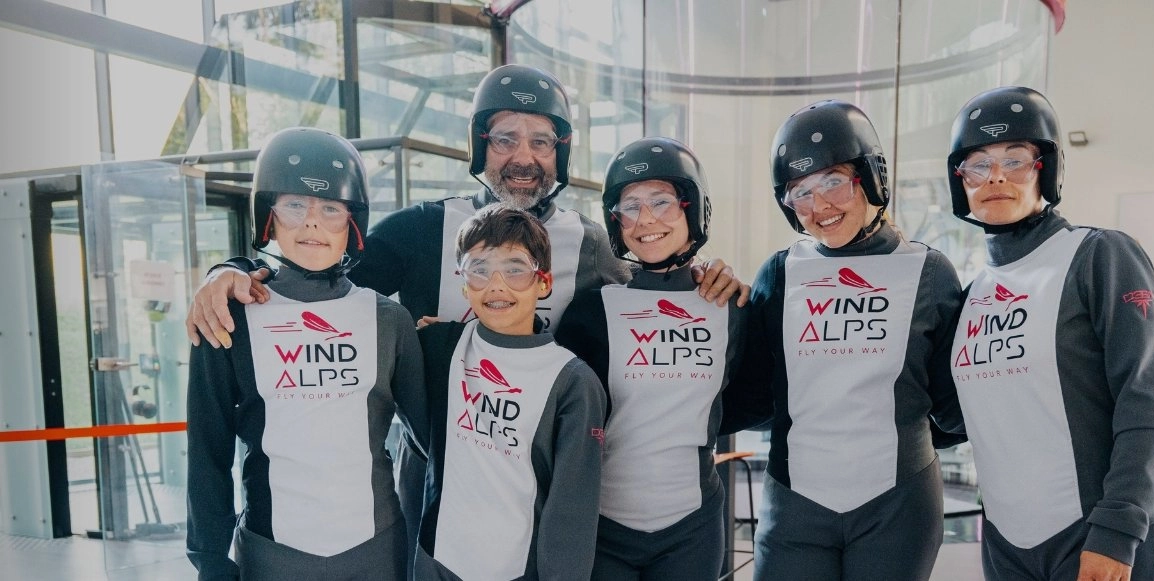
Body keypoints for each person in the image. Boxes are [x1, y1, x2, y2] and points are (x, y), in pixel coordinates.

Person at [182, 64, 747, 547]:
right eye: (505, 139)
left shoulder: (591, 242)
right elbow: (320, 269)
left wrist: (702, 274)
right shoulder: (422, 229)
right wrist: (234, 268)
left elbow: (649, 290)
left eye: (541, 141)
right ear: (480, 146)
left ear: (560, 152)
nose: (523, 157)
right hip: (434, 470)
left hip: (536, 470)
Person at [721, 100, 966, 580]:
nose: (820, 206)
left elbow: (955, 402)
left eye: (833, 181)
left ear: (870, 177)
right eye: (801, 192)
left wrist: (901, 442)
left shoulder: (929, 271)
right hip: (795, 503)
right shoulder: (780, 272)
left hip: (898, 504)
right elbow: (754, 393)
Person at [945, 86, 1154, 580]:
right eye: (978, 165)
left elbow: (1145, 404)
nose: (996, 177)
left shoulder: (1098, 255)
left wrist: (1117, 531)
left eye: (1014, 159)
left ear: (1045, 168)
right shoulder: (971, 295)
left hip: (1100, 540)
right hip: (1007, 546)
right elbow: (963, 419)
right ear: (960, 180)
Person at [185, 127, 427, 580]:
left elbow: (431, 442)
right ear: (268, 216)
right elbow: (207, 451)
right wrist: (210, 560)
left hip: (376, 550)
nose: (312, 223)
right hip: (271, 551)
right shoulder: (227, 317)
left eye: (330, 208)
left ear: (352, 222)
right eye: (295, 205)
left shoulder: (389, 319)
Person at [553, 137, 746, 580]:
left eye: (661, 201)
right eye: (630, 207)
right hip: (604, 525)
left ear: (692, 208)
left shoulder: (730, 306)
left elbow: (746, 399)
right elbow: (564, 415)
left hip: (692, 527)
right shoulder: (591, 309)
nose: (646, 219)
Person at [414, 205, 606, 580]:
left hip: (517, 570)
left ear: (543, 282)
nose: (497, 284)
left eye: (515, 269)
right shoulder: (439, 347)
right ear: (464, 283)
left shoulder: (572, 382)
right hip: (438, 561)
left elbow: (572, 512)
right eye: (480, 269)